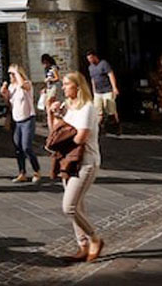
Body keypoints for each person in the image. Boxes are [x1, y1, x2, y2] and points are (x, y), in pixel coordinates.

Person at [48, 71, 104, 263]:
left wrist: (62, 138)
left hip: (86, 162)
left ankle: (95, 239)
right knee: (78, 206)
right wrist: (53, 112)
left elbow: (81, 137)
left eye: (66, 84)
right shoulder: (68, 108)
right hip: (69, 161)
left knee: (69, 207)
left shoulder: (87, 108)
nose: (63, 87)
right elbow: (55, 133)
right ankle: (83, 246)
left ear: (78, 87)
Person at [0, 64, 41, 184]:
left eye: (12, 74)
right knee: (18, 147)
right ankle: (22, 172)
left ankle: (36, 171)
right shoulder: (12, 87)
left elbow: (23, 85)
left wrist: (17, 72)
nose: (11, 76)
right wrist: (4, 93)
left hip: (28, 119)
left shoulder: (26, 84)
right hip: (17, 120)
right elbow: (9, 101)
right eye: (10, 74)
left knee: (26, 147)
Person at [85, 49, 120, 133]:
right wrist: (93, 92)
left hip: (107, 90)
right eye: (88, 59)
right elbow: (92, 80)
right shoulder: (90, 67)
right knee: (98, 110)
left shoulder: (103, 64)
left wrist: (114, 87)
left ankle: (116, 125)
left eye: (91, 58)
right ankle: (98, 128)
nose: (90, 60)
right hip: (98, 92)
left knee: (111, 109)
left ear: (95, 57)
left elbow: (110, 74)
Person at [41, 54, 61, 130]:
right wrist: (45, 88)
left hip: (54, 87)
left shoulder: (53, 68)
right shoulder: (46, 69)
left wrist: (50, 80)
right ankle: (50, 120)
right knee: (48, 105)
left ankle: (51, 120)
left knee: (49, 102)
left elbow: (57, 78)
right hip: (49, 87)